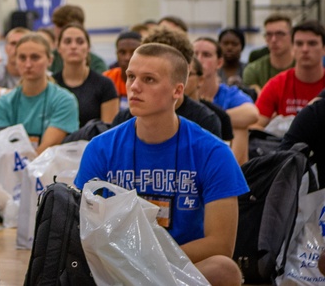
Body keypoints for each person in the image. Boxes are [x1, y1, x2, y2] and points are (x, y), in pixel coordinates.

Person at [75, 43, 247, 286]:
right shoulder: (100, 148)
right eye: (131, 77)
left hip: (178, 266)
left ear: (177, 91)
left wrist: (151, 262)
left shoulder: (214, 152)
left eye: (149, 79)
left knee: (224, 269)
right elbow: (83, 231)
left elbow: (221, 244)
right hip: (116, 266)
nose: (134, 87)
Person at [0, 33, 79, 153]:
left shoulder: (65, 100)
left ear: (50, 60)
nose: (28, 64)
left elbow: (46, 151)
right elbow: (2, 152)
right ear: (15, 60)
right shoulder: (3, 103)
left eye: (35, 57)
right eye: (22, 58)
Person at [193, 37, 257, 162]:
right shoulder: (179, 91)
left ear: (219, 63)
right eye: (194, 54)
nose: (199, 60)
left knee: (240, 128)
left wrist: (209, 118)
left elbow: (252, 114)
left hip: (219, 155)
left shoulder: (228, 93)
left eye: (206, 55)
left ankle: (232, 175)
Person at [254, 20, 325, 124]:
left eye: (312, 43)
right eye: (299, 44)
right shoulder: (276, 84)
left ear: (323, 48)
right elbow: (255, 125)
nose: (305, 49)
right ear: (292, 48)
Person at [53, 24, 118, 126]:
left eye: (80, 42)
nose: (73, 46)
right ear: (58, 48)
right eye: (67, 41)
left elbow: (108, 131)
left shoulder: (105, 85)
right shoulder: (51, 84)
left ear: (88, 48)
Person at [243, 14, 295, 92]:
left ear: (292, 36)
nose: (273, 40)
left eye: (280, 34)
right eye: (269, 34)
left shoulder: (305, 68)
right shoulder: (253, 71)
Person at [48, 4, 107, 74]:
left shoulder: (97, 64)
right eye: (57, 25)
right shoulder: (49, 59)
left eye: (62, 25)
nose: (73, 46)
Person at [104, 30, 142, 110]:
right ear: (116, 54)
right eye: (122, 52)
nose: (127, 58)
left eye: (133, 52)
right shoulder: (107, 78)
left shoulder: (150, 82)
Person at [0, 27, 28, 98]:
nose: (17, 48)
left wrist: (1, 92)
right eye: (13, 43)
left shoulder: (41, 75)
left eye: (22, 43)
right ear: (5, 48)